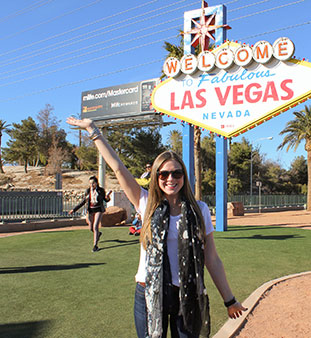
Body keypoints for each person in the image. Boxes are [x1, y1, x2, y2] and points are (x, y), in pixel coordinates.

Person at [66, 117, 247, 338]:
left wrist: (229, 299)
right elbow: (118, 167)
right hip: (148, 293)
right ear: (156, 177)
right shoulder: (145, 202)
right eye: (164, 174)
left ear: (184, 177)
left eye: (177, 173)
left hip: (186, 294)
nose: (171, 179)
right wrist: (93, 130)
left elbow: (212, 259)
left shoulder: (199, 210)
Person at [69, 176, 112, 252]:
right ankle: (98, 234)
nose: (92, 185)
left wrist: (108, 197)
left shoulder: (101, 190)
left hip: (98, 209)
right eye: (90, 183)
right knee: (91, 228)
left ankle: (95, 245)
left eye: (93, 183)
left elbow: (106, 200)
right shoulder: (88, 191)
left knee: (95, 226)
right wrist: (74, 209)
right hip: (90, 210)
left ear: (96, 183)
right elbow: (83, 202)